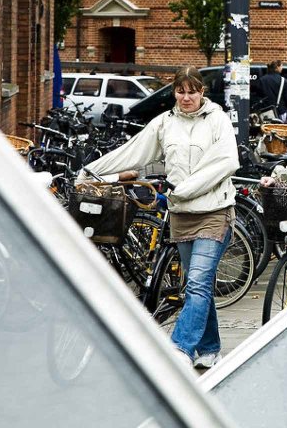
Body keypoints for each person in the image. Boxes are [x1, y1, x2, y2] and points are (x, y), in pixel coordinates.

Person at [79, 66, 239, 369]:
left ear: (202, 92)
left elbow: (227, 161)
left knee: (197, 282)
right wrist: (91, 173)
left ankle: (179, 348)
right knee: (197, 285)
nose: (187, 97)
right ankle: (210, 348)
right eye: (181, 91)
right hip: (182, 214)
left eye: (193, 91)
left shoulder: (217, 119)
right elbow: (134, 151)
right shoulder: (165, 123)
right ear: (174, 92)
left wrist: (185, 189)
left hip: (215, 212)